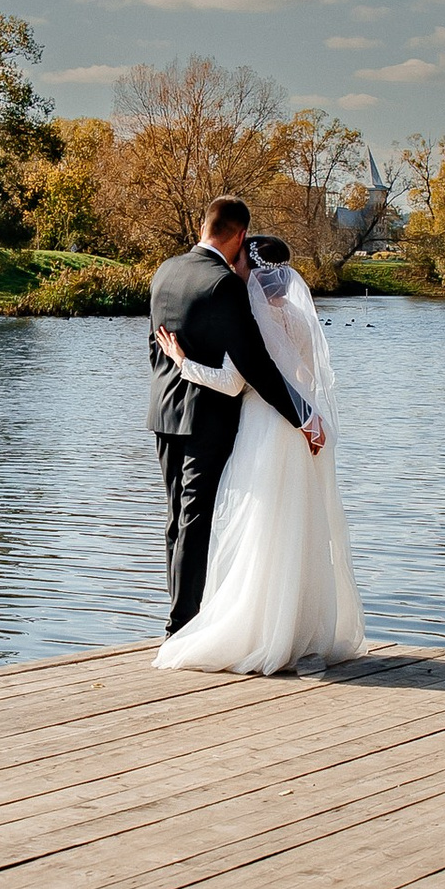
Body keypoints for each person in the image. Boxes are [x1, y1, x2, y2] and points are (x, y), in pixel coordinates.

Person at [150, 219, 365, 674]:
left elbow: (233, 381)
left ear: (251, 263)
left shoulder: (245, 307)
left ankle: (256, 628)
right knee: (297, 528)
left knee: (256, 529)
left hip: (265, 427)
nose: (235, 263)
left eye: (242, 258)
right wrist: (307, 421)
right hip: (299, 423)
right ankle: (297, 628)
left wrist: (181, 361)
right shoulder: (297, 317)